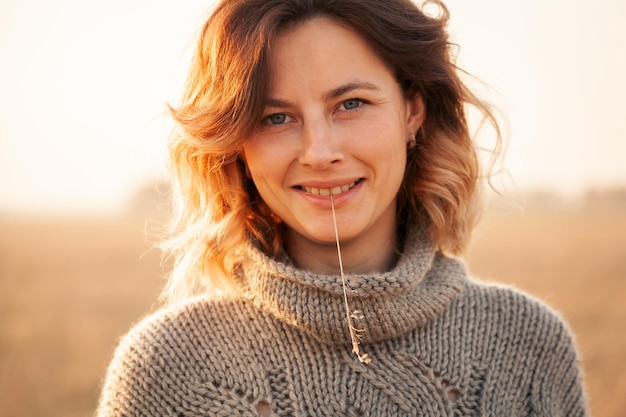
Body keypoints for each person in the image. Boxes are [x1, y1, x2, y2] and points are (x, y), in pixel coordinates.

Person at [97, 0, 589, 415]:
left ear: (412, 111)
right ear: (237, 148)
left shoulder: (528, 346)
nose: (318, 151)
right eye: (275, 117)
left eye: (350, 104)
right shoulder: (165, 371)